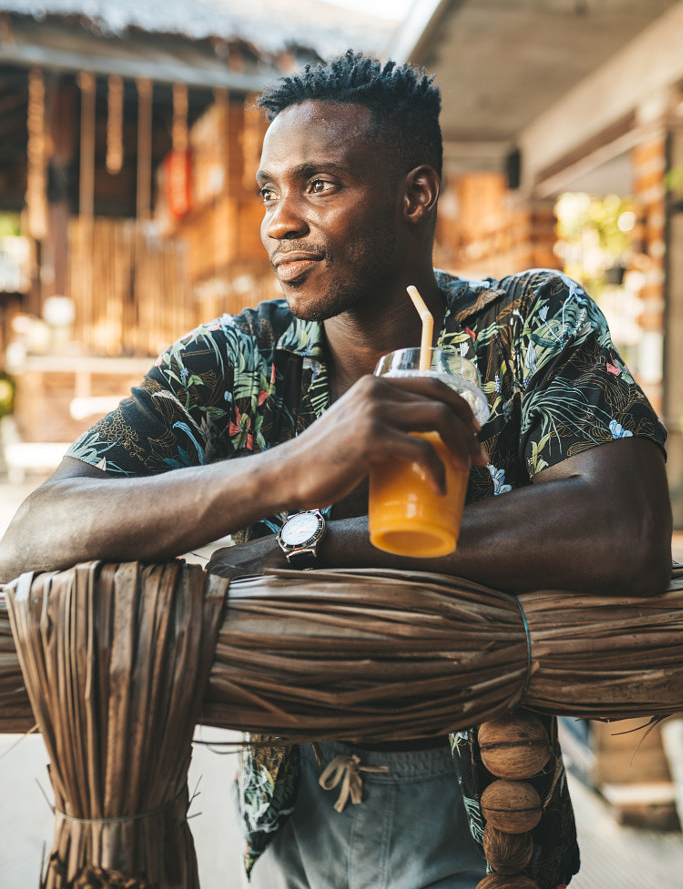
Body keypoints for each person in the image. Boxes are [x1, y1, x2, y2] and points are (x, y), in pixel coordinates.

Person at [0, 51, 672, 889]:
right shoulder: (234, 358)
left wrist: (317, 543)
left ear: (414, 195)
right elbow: (36, 530)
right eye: (268, 191)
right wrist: (292, 467)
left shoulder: (524, 321)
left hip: (480, 787)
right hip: (293, 793)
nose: (278, 221)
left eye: (318, 186)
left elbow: (628, 530)